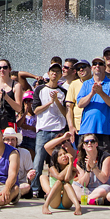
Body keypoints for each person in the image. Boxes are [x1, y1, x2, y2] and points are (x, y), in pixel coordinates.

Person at [31, 62, 67, 196]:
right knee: (38, 160)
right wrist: (49, 103)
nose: (55, 73)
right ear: (49, 73)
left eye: (58, 71)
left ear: (60, 75)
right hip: (43, 130)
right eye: (53, 71)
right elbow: (35, 110)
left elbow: (65, 112)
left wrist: (57, 101)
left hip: (58, 130)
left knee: (58, 160)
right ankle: (35, 189)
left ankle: (59, 187)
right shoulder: (39, 89)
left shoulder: (63, 91)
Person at [77, 56, 110, 151]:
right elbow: (80, 104)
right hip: (86, 130)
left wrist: (101, 93)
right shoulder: (86, 84)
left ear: (104, 67)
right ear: (92, 67)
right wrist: (92, 93)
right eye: (95, 64)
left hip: (104, 130)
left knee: (104, 160)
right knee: (85, 160)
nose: (97, 66)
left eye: (100, 64)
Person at [73, 133, 110, 205]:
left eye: (92, 141)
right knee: (73, 186)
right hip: (89, 190)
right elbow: (83, 184)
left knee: (102, 190)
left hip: (104, 188)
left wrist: (93, 167)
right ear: (83, 146)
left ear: (96, 144)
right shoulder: (80, 161)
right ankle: (91, 201)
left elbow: (104, 179)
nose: (89, 143)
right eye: (86, 142)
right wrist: (88, 171)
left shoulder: (106, 157)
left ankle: (85, 199)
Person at [42, 142, 82, 215]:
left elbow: (67, 179)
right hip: (54, 201)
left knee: (67, 184)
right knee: (59, 182)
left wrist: (70, 165)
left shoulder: (72, 169)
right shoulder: (52, 168)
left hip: (66, 201)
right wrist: (68, 166)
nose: (64, 156)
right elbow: (60, 177)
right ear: (56, 159)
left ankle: (78, 207)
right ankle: (45, 205)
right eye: (60, 155)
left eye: (65, 154)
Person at [2, 127, 36, 197]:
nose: (10, 142)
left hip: (19, 184)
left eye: (13, 140)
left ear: (16, 141)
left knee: (26, 187)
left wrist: (31, 174)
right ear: (3, 141)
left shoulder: (25, 153)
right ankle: (12, 195)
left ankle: (10, 195)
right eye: (7, 139)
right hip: (2, 184)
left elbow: (29, 170)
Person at [66, 60, 92, 140]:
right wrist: (71, 127)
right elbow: (69, 107)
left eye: (83, 67)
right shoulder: (73, 84)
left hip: (94, 126)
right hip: (78, 128)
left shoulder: (96, 82)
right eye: (78, 68)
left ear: (90, 68)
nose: (81, 69)